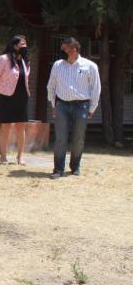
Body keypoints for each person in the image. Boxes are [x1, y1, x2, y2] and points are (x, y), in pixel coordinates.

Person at [47, 37, 101, 179]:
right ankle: (58, 169)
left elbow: (96, 88)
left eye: (64, 49)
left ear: (74, 50)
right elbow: (51, 86)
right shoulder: (58, 65)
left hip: (81, 106)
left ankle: (75, 167)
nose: (62, 51)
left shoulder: (90, 66)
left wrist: (92, 108)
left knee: (78, 138)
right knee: (60, 138)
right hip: (62, 105)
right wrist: (53, 104)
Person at [0, 35, 31, 165]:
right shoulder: (4, 59)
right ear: (14, 46)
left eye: (26, 45)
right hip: (6, 97)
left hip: (22, 96)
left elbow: (25, 78)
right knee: (5, 126)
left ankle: (20, 156)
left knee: (21, 126)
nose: (24, 47)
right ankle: (3, 156)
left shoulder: (25, 61)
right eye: (22, 45)